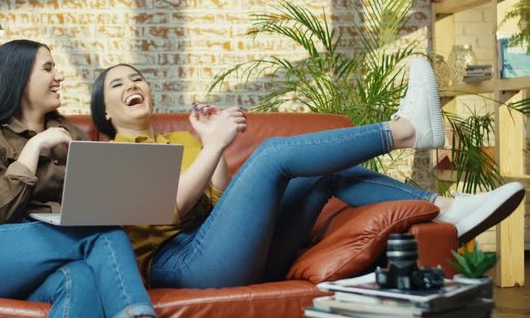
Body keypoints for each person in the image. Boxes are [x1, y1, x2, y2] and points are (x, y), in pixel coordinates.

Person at [89, 57, 525, 289]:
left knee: (319, 174)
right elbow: (172, 208)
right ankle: (406, 130)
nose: (133, 86)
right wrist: (219, 141)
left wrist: (206, 141)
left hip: (222, 250)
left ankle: (446, 208)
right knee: (274, 155)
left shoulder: (181, 143)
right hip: (180, 266)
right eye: (118, 84)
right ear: (104, 111)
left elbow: (220, 203)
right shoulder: (111, 156)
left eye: (138, 79)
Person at [0, 40, 156, 318]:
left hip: (52, 264)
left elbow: (95, 206)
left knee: (81, 279)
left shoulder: (72, 135)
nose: (58, 76)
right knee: (105, 233)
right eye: (48, 68)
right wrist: (34, 146)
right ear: (19, 78)